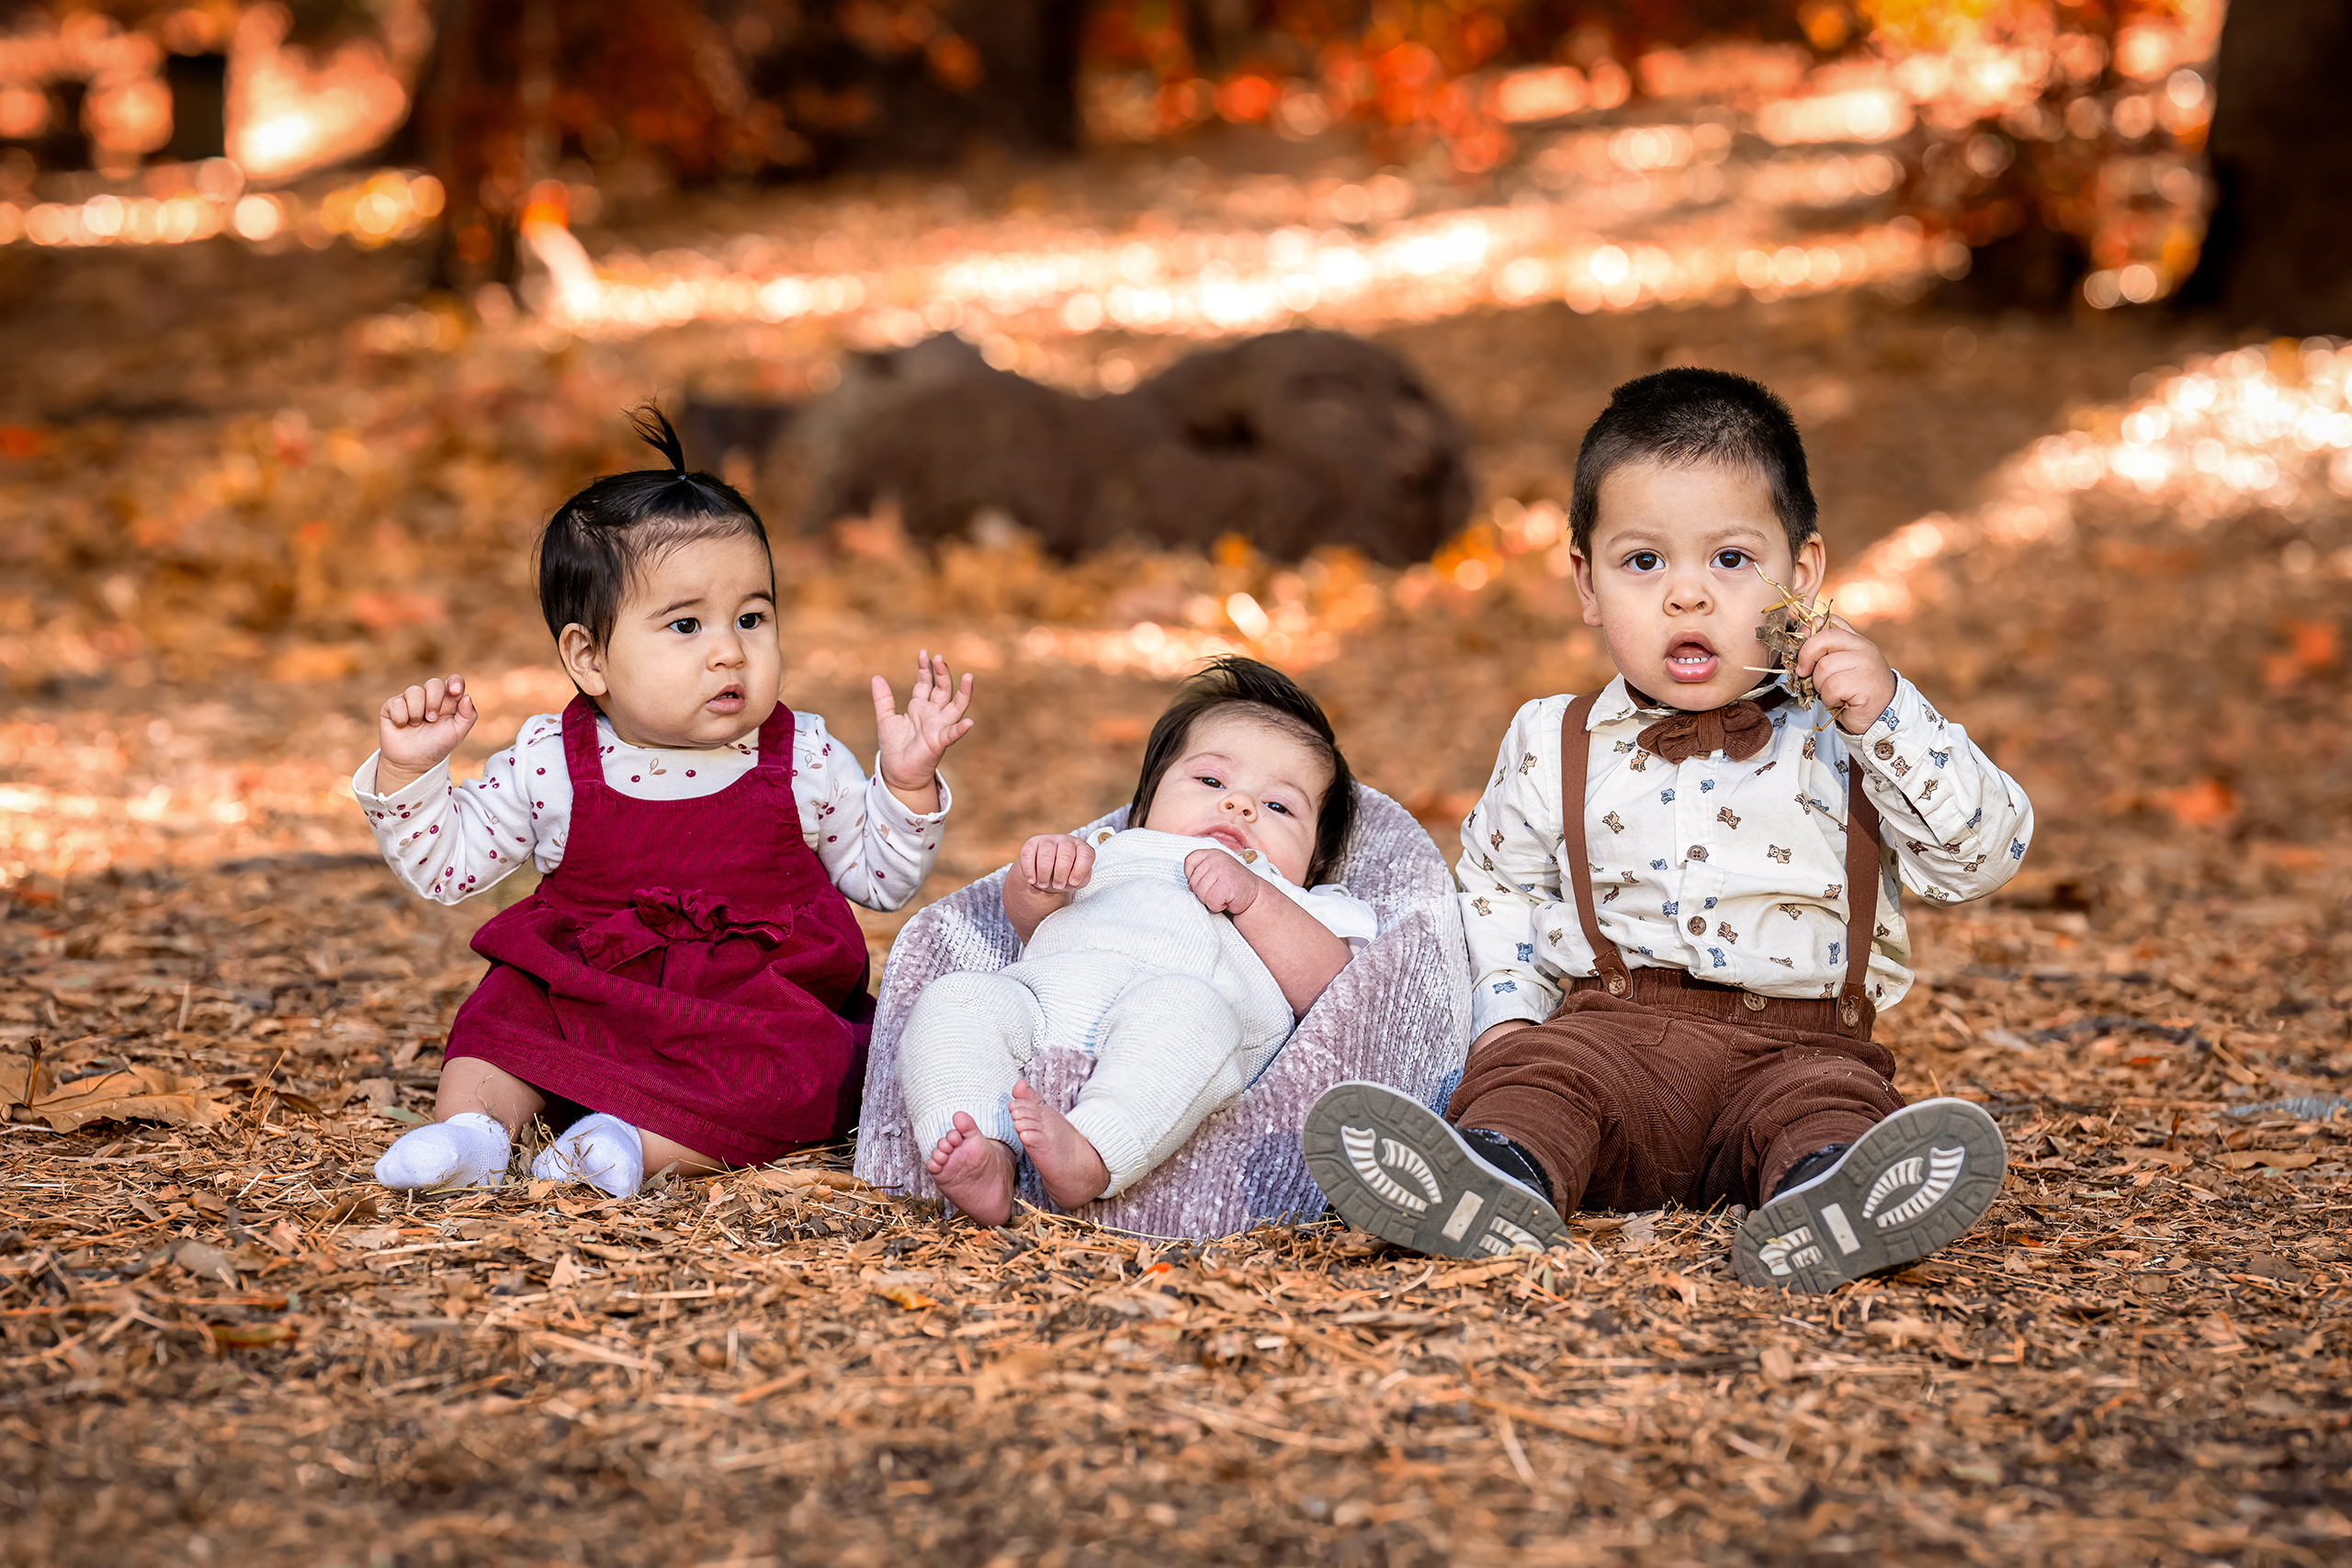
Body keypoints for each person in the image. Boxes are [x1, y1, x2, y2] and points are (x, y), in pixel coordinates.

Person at [1304, 368, 2030, 1291]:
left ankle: (1829, 1198)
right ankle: (1493, 1175)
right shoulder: (1549, 738)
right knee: (1544, 1079)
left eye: (1729, 560)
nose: (1686, 598)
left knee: (1830, 1108)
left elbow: (1978, 860)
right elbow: (1497, 891)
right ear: (1587, 582)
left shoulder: (1856, 734)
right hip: (1616, 1037)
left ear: (1800, 577)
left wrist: (1891, 718)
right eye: (1643, 563)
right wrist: (1503, 1025)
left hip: (1799, 1044)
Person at [356, 409, 974, 1198]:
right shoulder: (554, 761)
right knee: (503, 1015)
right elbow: (450, 867)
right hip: (587, 989)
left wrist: (907, 780)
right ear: (589, 658)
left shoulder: (803, 758)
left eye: (752, 617)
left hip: (746, 1008)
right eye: (685, 624)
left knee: (799, 1069)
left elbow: (880, 881)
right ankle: (474, 1130)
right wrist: (412, 773)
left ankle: (629, 1146)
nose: (729, 649)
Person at [905, 657, 1377, 1226]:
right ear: (1145, 804)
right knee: (956, 1000)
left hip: (1177, 1018)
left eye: (1279, 806)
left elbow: (1336, 992)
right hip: (1044, 1000)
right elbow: (1033, 931)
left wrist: (1257, 899)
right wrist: (1038, 881)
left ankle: (1093, 1153)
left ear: (1315, 862)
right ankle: (983, 1149)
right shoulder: (1114, 849)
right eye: (1211, 781)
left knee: (1188, 1011)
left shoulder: (1302, 901)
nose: (1241, 804)